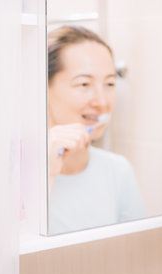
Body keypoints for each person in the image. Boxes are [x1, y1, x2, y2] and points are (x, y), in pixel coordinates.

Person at [47, 26, 146, 235]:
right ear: (43, 88)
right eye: (84, 84)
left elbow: (136, 255)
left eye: (109, 84)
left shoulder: (118, 171)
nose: (101, 102)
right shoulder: (10, 174)